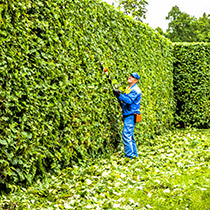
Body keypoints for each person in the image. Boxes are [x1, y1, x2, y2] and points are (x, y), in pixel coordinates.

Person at [113, 72, 141, 159]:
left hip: (131, 114)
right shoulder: (129, 88)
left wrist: (119, 95)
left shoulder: (135, 90)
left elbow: (128, 101)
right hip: (128, 114)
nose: (130, 77)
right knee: (130, 136)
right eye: (130, 76)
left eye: (132, 77)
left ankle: (129, 157)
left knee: (126, 135)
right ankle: (134, 154)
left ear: (136, 80)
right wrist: (119, 95)